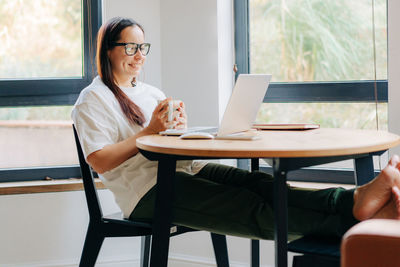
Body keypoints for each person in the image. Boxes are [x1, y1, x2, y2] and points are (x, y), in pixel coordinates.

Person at [72, 16, 400, 240]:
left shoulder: (150, 92)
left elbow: (160, 140)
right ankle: (362, 222)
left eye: (143, 47)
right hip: (146, 194)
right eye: (130, 48)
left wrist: (175, 128)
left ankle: (353, 198)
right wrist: (148, 133)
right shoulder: (93, 99)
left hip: (186, 170)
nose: (139, 55)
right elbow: (100, 160)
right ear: (108, 50)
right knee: (249, 208)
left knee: (260, 184)